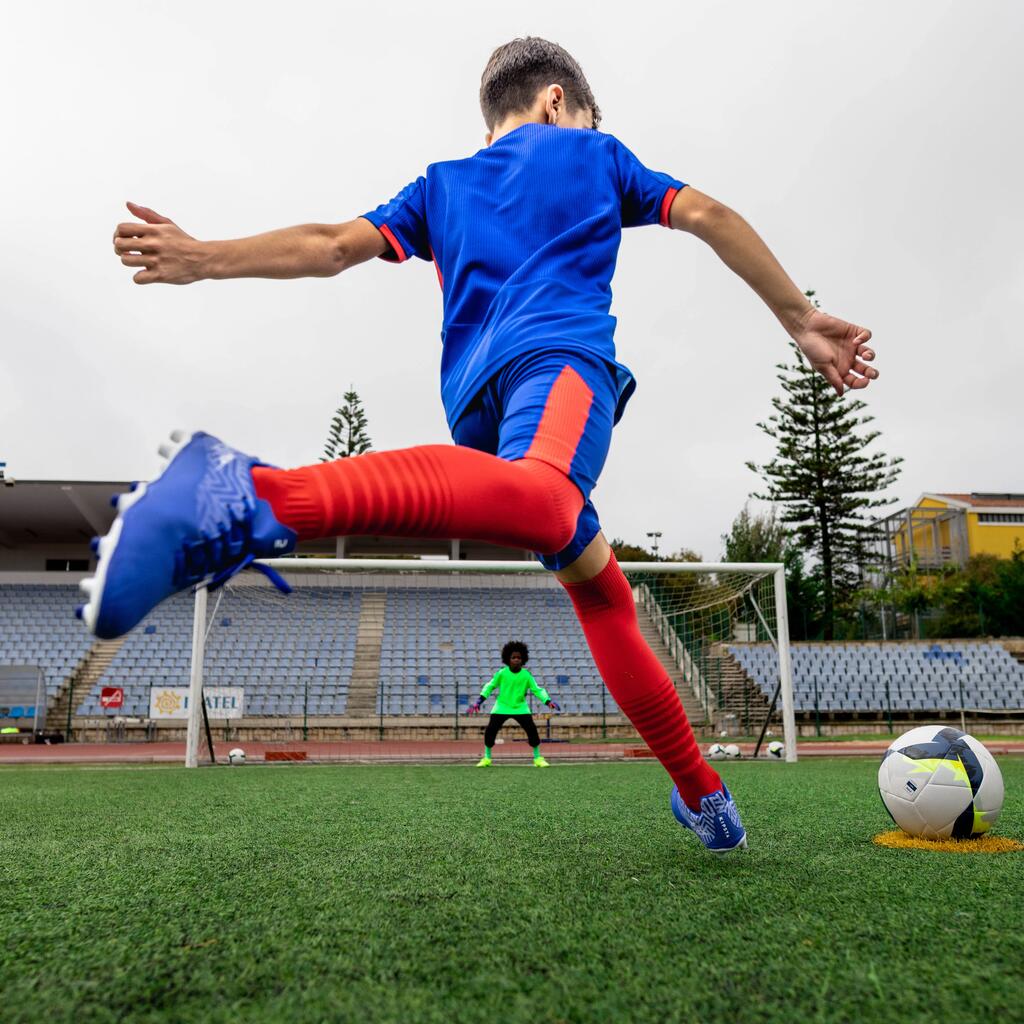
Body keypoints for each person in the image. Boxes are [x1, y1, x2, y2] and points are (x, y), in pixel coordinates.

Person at [90, 37, 878, 853]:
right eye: (582, 115)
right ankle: (250, 495)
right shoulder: (596, 154)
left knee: (602, 589)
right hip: (558, 369)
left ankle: (703, 794)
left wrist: (202, 258)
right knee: (543, 499)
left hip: (477, 410)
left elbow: (331, 246)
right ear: (554, 101)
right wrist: (799, 317)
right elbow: (708, 215)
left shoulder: (440, 185)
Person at [467, 641, 560, 767]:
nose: (516, 660)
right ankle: (486, 758)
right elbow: (490, 686)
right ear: (508, 659)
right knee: (490, 731)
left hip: (520, 708)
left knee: (532, 730)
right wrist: (479, 701)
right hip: (502, 707)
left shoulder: (526, 675)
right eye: (513, 657)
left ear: (523, 660)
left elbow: (537, 690)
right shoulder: (502, 673)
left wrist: (548, 701)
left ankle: (538, 758)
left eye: (519, 658)